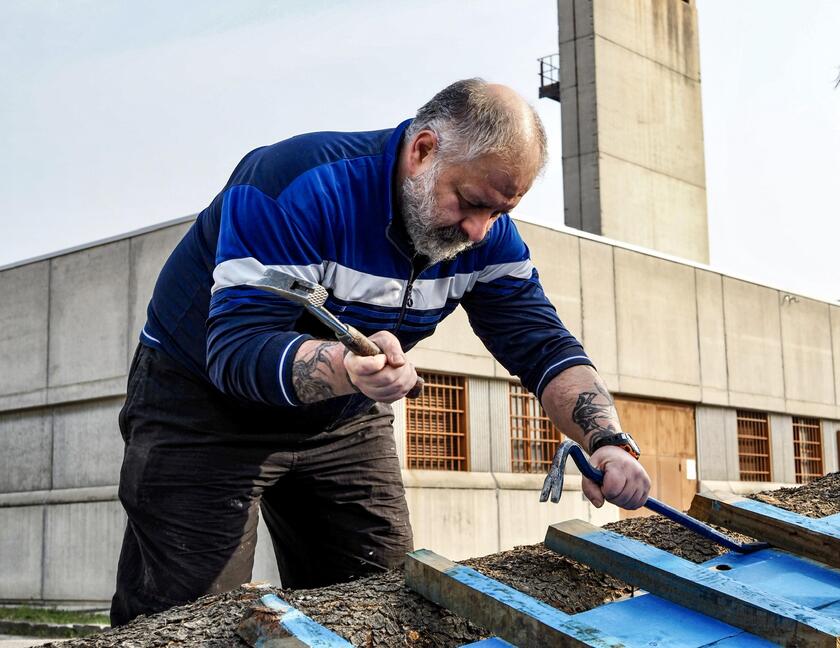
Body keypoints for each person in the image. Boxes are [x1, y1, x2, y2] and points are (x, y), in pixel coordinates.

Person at [111, 78, 650, 626]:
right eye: (469, 203)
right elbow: (237, 348)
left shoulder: (486, 236)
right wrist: (346, 368)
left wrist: (606, 439)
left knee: (383, 607)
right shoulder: (296, 183)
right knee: (184, 620)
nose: (478, 229)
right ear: (422, 150)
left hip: (343, 421)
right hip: (203, 409)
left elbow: (543, 345)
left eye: (499, 212)